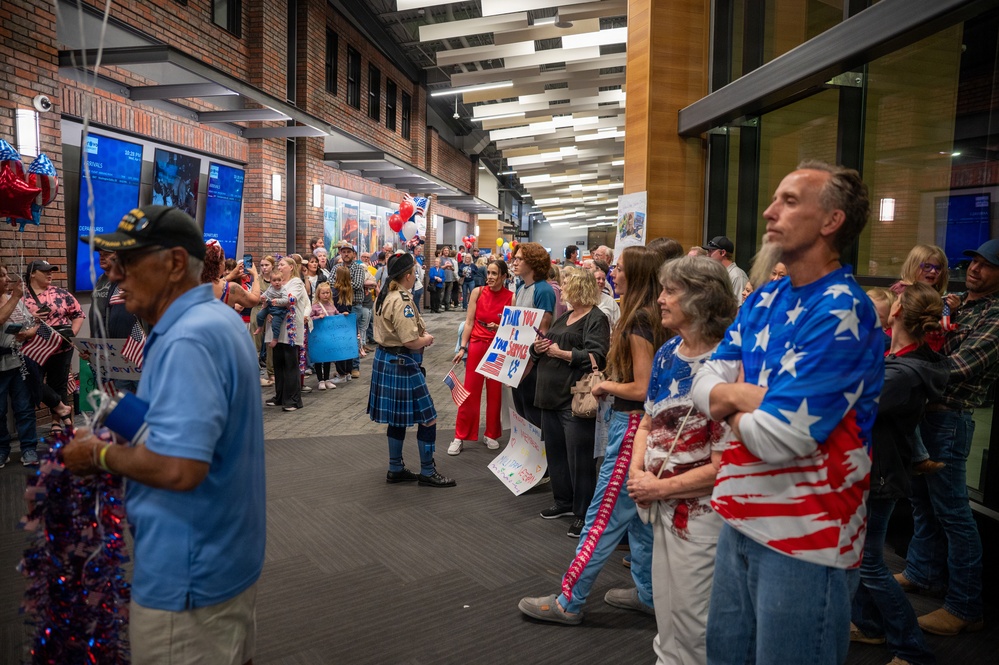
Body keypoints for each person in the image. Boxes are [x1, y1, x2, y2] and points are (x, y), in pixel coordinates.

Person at [691, 160, 885, 665]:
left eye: (790, 200)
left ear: (831, 221)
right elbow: (700, 383)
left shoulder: (844, 308)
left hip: (807, 537)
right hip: (739, 517)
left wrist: (729, 397)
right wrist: (746, 397)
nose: (769, 210)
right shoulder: (767, 297)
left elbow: (779, 439)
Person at [65, 205, 265, 665]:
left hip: (189, 580)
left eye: (130, 261)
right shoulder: (213, 321)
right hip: (223, 561)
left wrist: (96, 456)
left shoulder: (188, 339)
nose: (117, 276)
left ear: (175, 263)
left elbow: (180, 468)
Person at [518, 245, 668, 625]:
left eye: (618, 268)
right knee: (637, 520)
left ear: (634, 275)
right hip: (641, 427)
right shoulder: (649, 317)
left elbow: (642, 387)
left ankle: (569, 600)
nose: (611, 273)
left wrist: (606, 388)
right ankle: (649, 594)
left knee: (601, 518)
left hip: (632, 426)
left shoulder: (638, 322)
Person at [627, 255, 738, 665]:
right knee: (668, 614)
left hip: (702, 516)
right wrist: (638, 474)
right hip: (659, 506)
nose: (660, 299)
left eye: (670, 291)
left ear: (700, 299)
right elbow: (646, 423)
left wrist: (657, 486)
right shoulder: (669, 350)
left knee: (696, 622)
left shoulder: (728, 366)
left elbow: (725, 465)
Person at [897, 238, 999, 636]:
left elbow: (959, 367)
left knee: (955, 515)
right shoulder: (955, 300)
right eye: (973, 262)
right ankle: (922, 573)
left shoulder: (994, 316)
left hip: (950, 420)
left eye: (986, 265)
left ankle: (965, 606)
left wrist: (905, 361)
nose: (975, 269)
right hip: (923, 415)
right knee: (922, 504)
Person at [851, 282, 946, 665]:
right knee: (859, 558)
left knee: (869, 562)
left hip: (881, 475)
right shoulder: (897, 357)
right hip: (872, 469)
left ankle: (912, 649)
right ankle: (871, 627)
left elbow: (851, 404)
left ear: (897, 311)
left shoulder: (903, 374)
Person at [531, 268, 610, 538]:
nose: (562, 290)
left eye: (567, 285)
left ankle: (583, 512)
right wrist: (537, 348)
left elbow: (597, 355)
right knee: (556, 453)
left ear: (579, 288)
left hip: (573, 398)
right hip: (550, 397)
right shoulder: (566, 316)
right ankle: (563, 501)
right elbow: (546, 345)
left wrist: (560, 353)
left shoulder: (596, 318)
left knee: (580, 459)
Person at [368, 252, 455, 488]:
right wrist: (427, 339)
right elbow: (410, 341)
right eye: (414, 272)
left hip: (387, 360)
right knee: (429, 418)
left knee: (396, 419)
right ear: (408, 275)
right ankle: (427, 471)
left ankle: (395, 468)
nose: (415, 274)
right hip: (403, 362)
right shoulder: (402, 300)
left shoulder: (384, 294)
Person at [449, 259, 514, 455]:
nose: (491, 277)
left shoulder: (511, 297)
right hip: (477, 344)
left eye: (495, 274)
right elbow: (469, 322)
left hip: (497, 348)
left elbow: (512, 330)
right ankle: (460, 436)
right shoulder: (478, 292)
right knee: (470, 391)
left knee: (495, 393)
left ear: (504, 276)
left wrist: (500, 328)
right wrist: (462, 348)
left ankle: (491, 434)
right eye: (489, 273)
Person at [22, 259, 85, 430]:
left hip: (61, 345)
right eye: (45, 271)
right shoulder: (22, 297)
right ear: (32, 273)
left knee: (59, 383)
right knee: (31, 380)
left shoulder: (61, 293)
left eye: (51, 270)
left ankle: (56, 422)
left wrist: (72, 334)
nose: (50, 274)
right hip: (34, 347)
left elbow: (78, 313)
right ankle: (60, 407)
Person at [510, 242, 556, 428]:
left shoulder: (543, 290)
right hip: (520, 359)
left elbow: (542, 335)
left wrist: (525, 369)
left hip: (533, 364)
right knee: (522, 411)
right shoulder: (522, 288)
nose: (514, 262)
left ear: (533, 262)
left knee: (533, 416)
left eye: (520, 259)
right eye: (515, 258)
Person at [87, 248, 143, 394]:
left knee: (143, 400)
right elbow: (101, 314)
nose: (102, 257)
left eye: (107, 254)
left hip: (135, 352)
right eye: (100, 255)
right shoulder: (102, 281)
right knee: (118, 400)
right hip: (111, 351)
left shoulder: (135, 279)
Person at [0, 266, 39, 467]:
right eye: (2, 275)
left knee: (24, 408)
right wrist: (15, 297)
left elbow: (31, 322)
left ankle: (29, 448)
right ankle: (1, 449)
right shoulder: (12, 298)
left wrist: (30, 332)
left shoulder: (13, 300)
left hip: (18, 361)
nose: (7, 279)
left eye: (6, 274)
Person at [266, 256, 311, 412]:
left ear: (291, 267)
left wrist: (272, 304)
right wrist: (268, 311)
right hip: (277, 328)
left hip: (290, 328)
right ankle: (280, 395)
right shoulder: (275, 284)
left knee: (290, 363)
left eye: (282, 264)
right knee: (278, 361)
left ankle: (293, 399)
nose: (279, 266)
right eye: (278, 264)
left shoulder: (296, 283)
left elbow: (289, 300)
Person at [338, 241, 375, 379]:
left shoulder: (358, 268)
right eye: (344, 252)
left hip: (354, 306)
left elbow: (357, 284)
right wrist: (345, 284)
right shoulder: (337, 267)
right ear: (340, 253)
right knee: (341, 338)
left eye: (349, 252)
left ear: (353, 254)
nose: (346, 254)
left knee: (353, 336)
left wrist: (339, 284)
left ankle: (354, 366)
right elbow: (329, 283)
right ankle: (343, 369)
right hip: (339, 306)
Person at [309, 282, 342, 391]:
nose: (326, 295)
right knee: (319, 358)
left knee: (328, 358)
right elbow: (309, 319)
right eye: (323, 293)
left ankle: (327, 379)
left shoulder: (331, 305)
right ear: (318, 294)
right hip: (318, 337)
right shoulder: (315, 306)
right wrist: (318, 317)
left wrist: (344, 315)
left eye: (328, 292)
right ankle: (320, 380)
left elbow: (337, 314)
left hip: (329, 336)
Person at [251, 255, 276, 387]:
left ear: (272, 266)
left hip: (272, 314)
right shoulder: (257, 280)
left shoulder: (276, 280)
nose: (264, 268)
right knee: (256, 344)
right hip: (258, 312)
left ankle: (271, 372)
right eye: (262, 265)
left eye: (266, 265)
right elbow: (254, 297)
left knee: (271, 345)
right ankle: (257, 374)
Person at [328, 266, 355, 384]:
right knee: (347, 348)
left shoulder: (334, 291)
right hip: (348, 321)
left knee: (338, 348)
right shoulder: (350, 290)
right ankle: (348, 372)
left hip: (337, 321)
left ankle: (341, 373)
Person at [254, 272, 291, 348]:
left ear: (282, 280)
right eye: (274, 280)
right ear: (271, 281)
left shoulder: (283, 289)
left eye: (279, 280)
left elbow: (286, 300)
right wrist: (262, 297)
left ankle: (275, 338)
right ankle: (260, 327)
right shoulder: (270, 287)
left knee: (275, 324)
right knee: (259, 315)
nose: (277, 282)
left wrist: (276, 301)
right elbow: (266, 294)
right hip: (269, 305)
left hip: (279, 309)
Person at [591, 260, 620, 327]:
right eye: (598, 279)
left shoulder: (610, 301)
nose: (601, 281)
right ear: (591, 280)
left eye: (603, 279)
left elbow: (618, 323)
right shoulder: (583, 299)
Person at [441, 247, 457, 311]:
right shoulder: (441, 259)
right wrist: (446, 266)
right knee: (442, 293)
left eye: (447, 251)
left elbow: (453, 269)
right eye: (445, 250)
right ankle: (440, 305)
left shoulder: (450, 259)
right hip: (443, 278)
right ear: (443, 251)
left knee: (448, 293)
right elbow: (439, 267)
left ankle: (447, 306)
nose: (446, 252)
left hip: (450, 278)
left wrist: (450, 267)